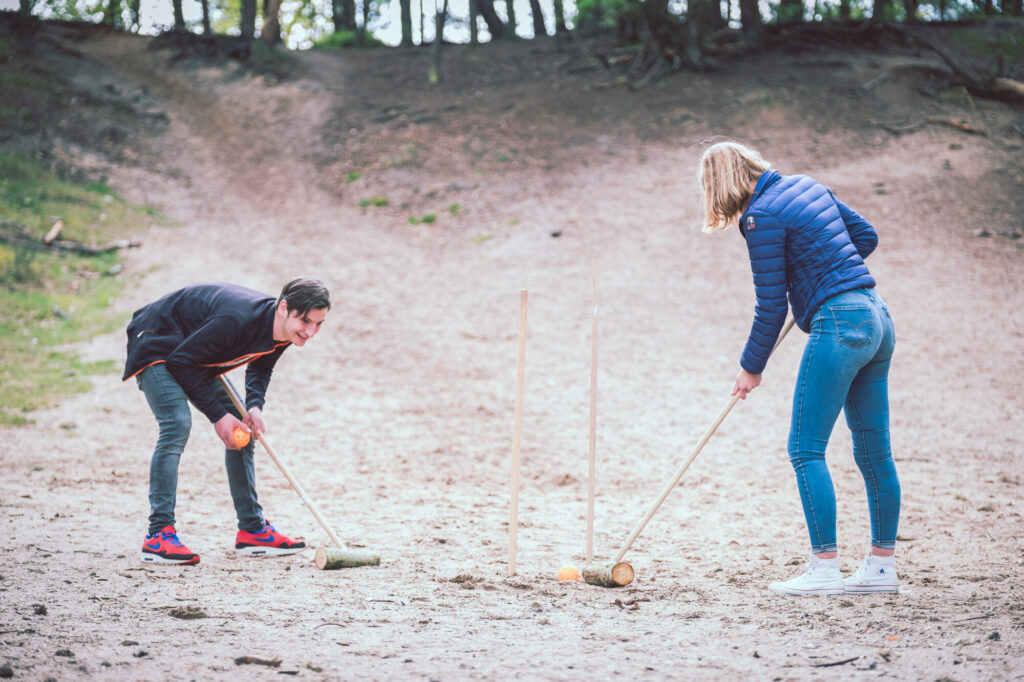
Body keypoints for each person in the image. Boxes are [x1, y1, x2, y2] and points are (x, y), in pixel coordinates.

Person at [697, 141, 900, 596]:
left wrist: (751, 367)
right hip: (877, 318)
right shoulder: (806, 184)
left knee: (805, 449)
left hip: (841, 324)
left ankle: (825, 568)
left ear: (720, 185)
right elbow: (865, 237)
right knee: (873, 452)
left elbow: (770, 305)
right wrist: (824, 272)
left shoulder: (759, 217)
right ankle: (881, 569)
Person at [123, 277, 331, 565]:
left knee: (242, 430)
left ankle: (252, 531)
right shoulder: (237, 319)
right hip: (158, 341)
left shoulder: (284, 331)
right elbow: (179, 362)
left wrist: (254, 406)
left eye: (318, 324)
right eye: (306, 321)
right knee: (177, 424)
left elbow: (261, 365)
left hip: (191, 352)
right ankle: (158, 534)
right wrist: (218, 416)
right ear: (283, 308)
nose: (310, 332)